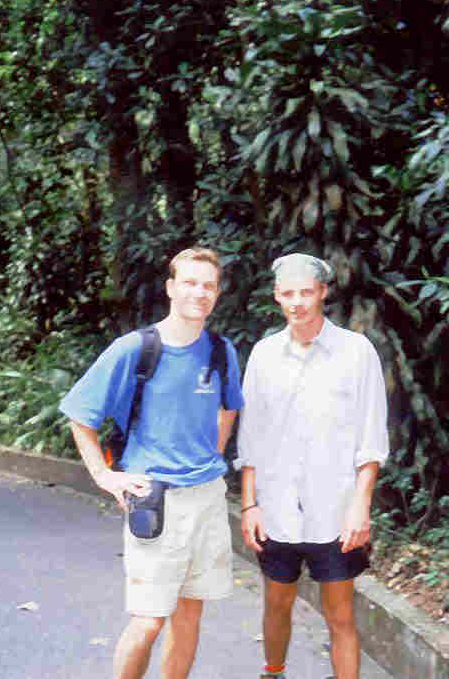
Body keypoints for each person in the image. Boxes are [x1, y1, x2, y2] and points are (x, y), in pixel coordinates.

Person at [59, 247, 244, 679]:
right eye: (190, 283)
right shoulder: (135, 349)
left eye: (209, 285)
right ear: (171, 288)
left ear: (217, 293)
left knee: (188, 617)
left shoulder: (221, 351)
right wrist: (105, 476)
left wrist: (211, 455)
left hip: (208, 498)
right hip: (155, 502)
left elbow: (229, 407)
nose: (199, 292)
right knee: (148, 621)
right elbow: (79, 415)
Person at [237, 253, 389, 679]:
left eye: (306, 292)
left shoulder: (356, 352)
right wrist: (250, 505)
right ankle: (274, 671)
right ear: (276, 297)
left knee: (339, 613)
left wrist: (360, 506)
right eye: (288, 294)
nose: (297, 302)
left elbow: (371, 439)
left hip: (335, 510)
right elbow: (251, 438)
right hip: (277, 508)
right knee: (277, 602)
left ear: (323, 293)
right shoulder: (265, 355)